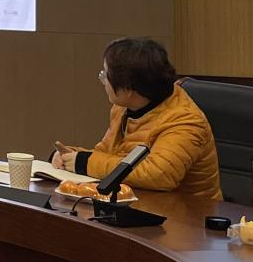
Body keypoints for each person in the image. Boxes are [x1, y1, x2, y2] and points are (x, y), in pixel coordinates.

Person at [51, 37, 221, 201]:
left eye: (105, 76)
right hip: (137, 201)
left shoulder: (186, 121)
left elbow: (158, 175)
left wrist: (84, 162)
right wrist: (73, 155)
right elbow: (107, 154)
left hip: (188, 214)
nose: (103, 82)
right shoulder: (123, 107)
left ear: (128, 88)